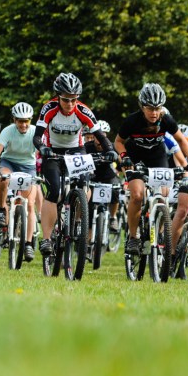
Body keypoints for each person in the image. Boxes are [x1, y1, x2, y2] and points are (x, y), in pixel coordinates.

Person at [33, 73, 116, 258]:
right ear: (58, 96)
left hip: (76, 151)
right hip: (53, 151)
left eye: (74, 99)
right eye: (65, 99)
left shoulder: (83, 110)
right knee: (54, 191)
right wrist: (42, 148)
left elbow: (100, 136)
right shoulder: (49, 108)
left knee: (84, 187)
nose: (70, 103)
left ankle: (78, 221)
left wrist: (110, 150)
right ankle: (46, 239)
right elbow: (37, 136)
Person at [114, 83, 188, 256]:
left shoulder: (166, 119)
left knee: (164, 195)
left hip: (157, 157)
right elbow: (118, 142)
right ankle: (133, 237)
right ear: (142, 107)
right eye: (150, 108)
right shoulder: (132, 121)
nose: (154, 113)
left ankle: (158, 228)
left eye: (157, 108)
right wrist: (124, 157)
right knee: (137, 195)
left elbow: (181, 140)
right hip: (135, 157)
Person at [0, 101, 39, 261]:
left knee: (30, 205)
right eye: (20, 121)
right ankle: (2, 209)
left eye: (26, 121)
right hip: (9, 162)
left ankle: (28, 244)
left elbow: (42, 152)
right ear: (14, 120)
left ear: (30, 120)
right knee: (3, 179)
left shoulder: (36, 131)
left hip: (28, 166)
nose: (23, 125)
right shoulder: (7, 131)